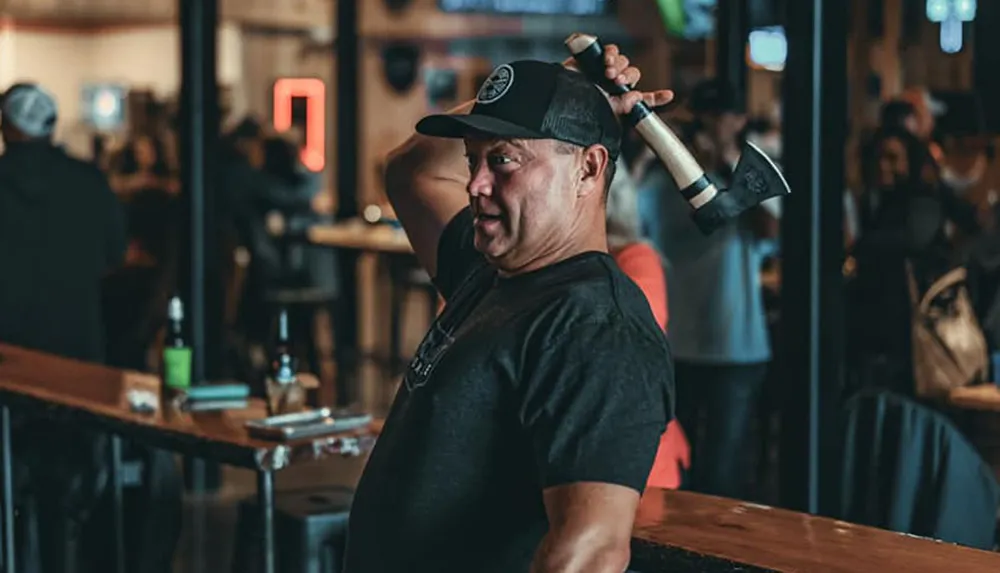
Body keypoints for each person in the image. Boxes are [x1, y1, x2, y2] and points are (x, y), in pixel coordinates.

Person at [344, 47, 675, 572]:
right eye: (472, 160)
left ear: (588, 169)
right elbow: (410, 172)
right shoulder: (488, 272)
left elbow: (589, 554)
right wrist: (553, 85)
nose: (475, 184)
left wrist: (552, 95)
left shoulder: (595, 326)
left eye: (502, 160)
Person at [0, 82, 126, 572]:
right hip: (79, 357)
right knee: (66, 479)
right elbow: (116, 254)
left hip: (9, 362)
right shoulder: (88, 182)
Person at [645, 78, 778, 501]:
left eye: (718, 117)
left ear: (738, 121)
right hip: (679, 342)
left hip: (736, 345)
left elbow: (771, 229)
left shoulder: (751, 174)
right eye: (700, 117)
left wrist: (724, 164)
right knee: (675, 464)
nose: (707, 125)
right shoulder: (661, 181)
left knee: (724, 470)